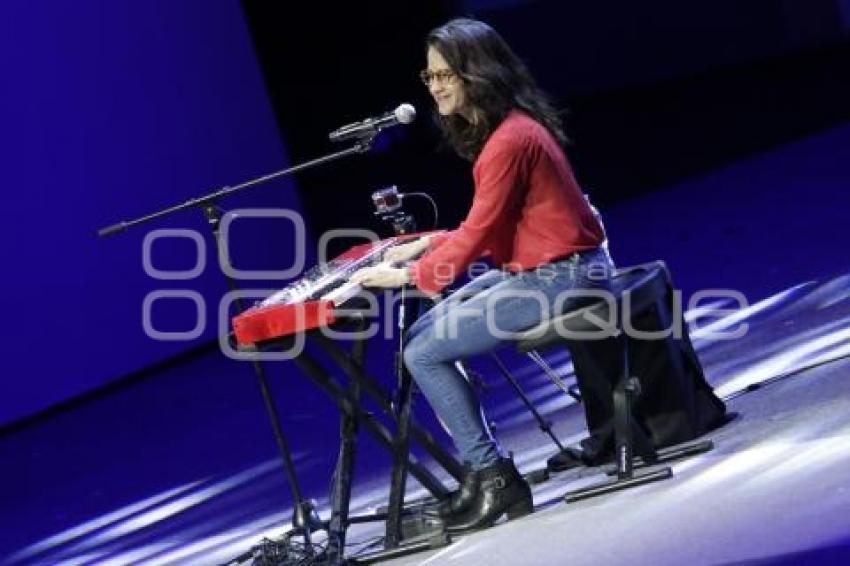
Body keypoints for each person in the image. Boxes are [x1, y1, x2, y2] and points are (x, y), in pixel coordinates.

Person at [351, 18, 612, 533]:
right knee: (427, 331)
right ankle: (480, 467)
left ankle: (494, 476)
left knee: (420, 352)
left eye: (447, 74)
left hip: (563, 276)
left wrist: (408, 276)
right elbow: (490, 226)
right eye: (430, 77)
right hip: (549, 267)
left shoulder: (508, 141)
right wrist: (429, 245)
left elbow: (482, 232)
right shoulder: (507, 129)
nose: (436, 86)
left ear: (479, 74)